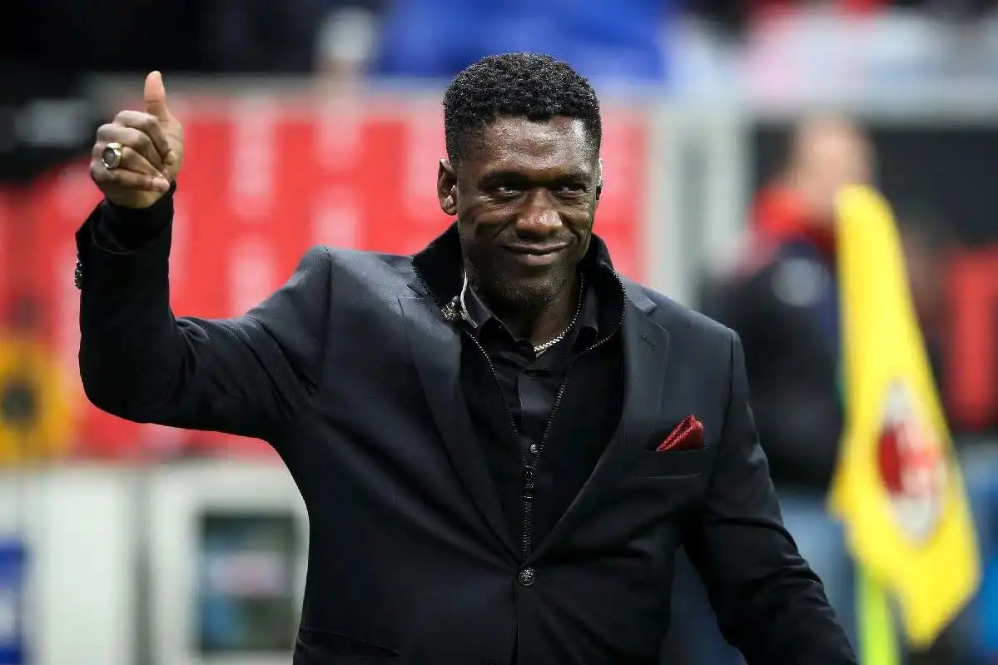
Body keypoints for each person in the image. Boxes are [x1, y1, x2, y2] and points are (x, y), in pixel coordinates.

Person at [77, 54, 855, 664]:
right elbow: (144, 378)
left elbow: (766, 588)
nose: (540, 218)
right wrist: (135, 224)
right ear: (450, 187)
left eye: (566, 189)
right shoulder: (340, 313)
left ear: (597, 188)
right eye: (507, 187)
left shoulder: (697, 357)